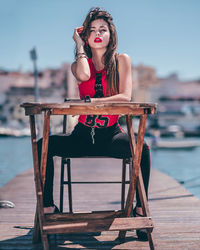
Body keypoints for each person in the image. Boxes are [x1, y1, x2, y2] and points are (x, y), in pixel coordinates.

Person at [37, 7, 150, 241]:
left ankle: (140, 209)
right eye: (92, 31)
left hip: (111, 136)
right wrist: (79, 45)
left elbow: (124, 97)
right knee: (42, 146)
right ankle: (47, 207)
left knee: (143, 149)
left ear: (111, 34)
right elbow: (84, 76)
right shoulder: (78, 64)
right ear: (85, 36)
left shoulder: (122, 60)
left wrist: (92, 101)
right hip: (81, 137)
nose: (98, 34)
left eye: (103, 30)